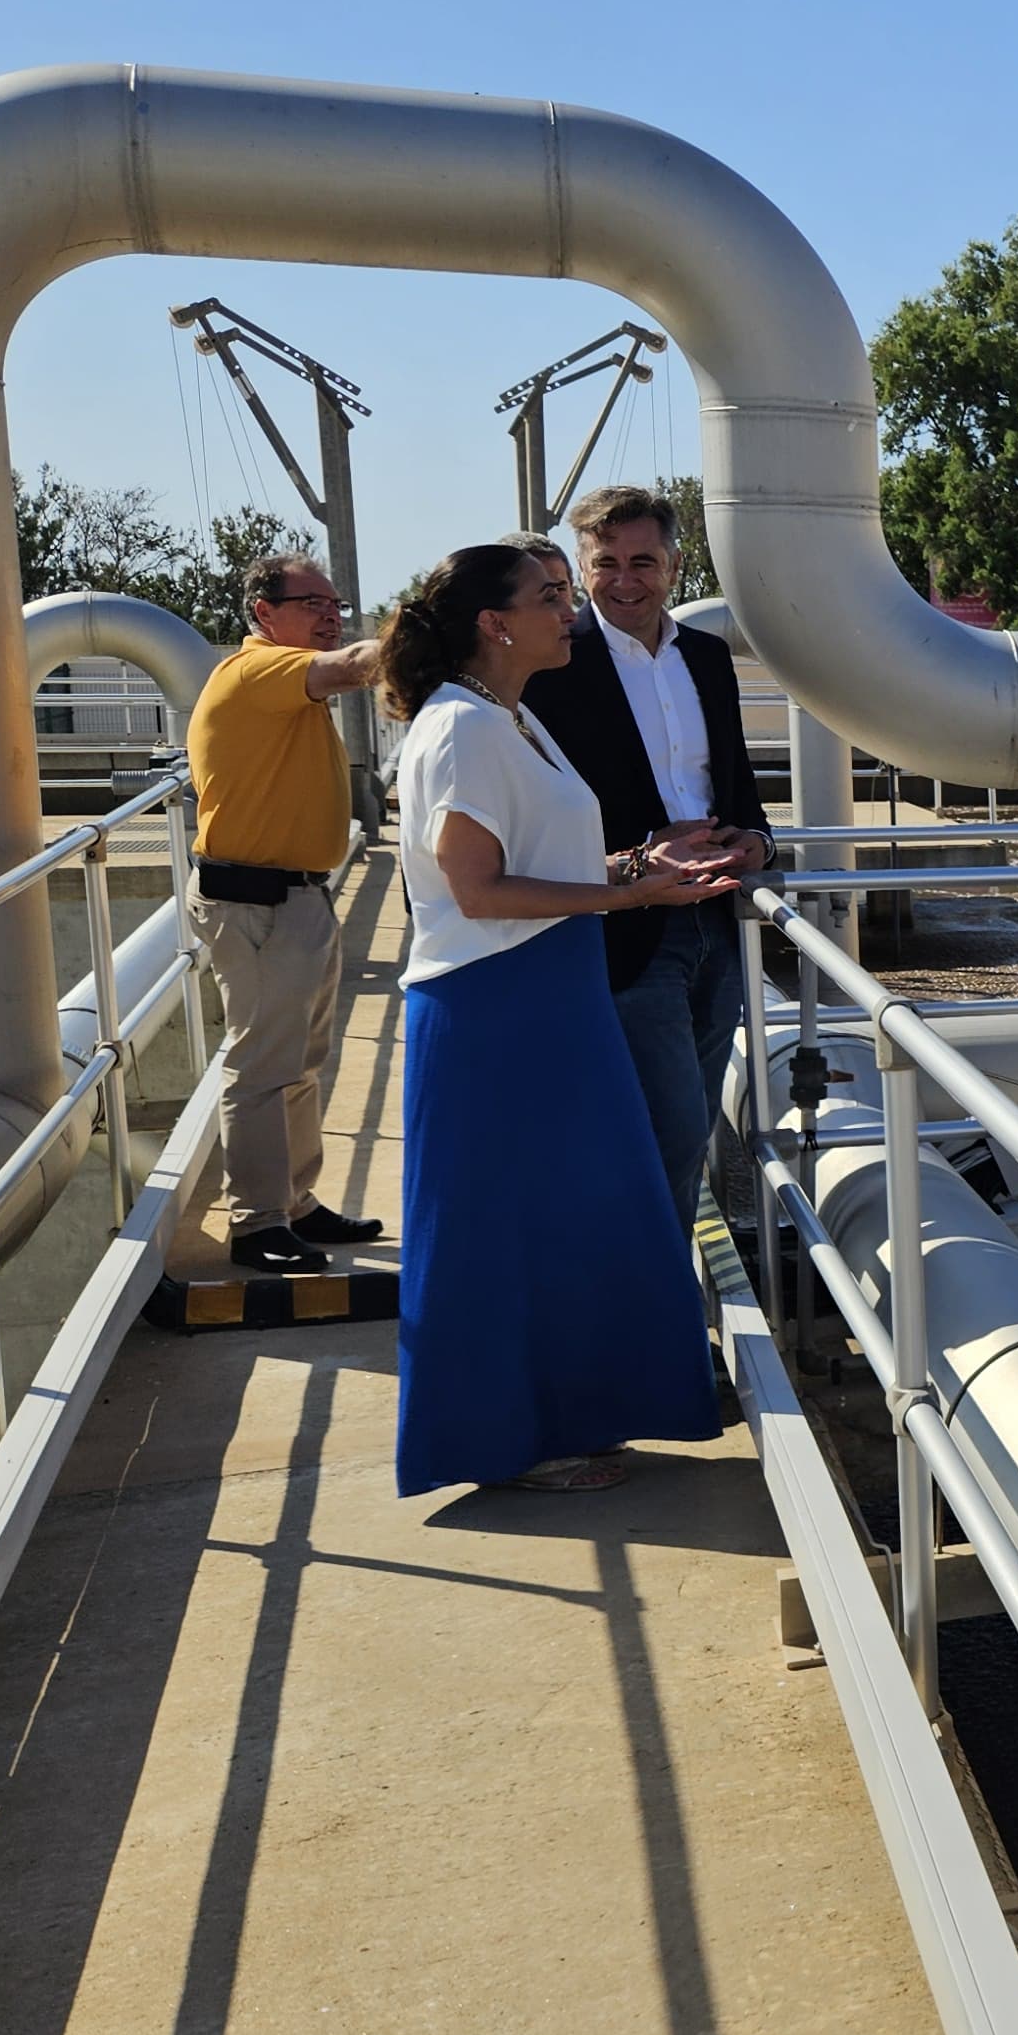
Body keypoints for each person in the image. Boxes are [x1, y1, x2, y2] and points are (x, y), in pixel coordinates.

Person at [381, 543, 737, 1494]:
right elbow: (477, 891)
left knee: (565, 1215)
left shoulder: (512, 717)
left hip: (546, 993)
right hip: (498, 1006)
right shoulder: (463, 727)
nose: (568, 614)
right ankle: (510, 1442)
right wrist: (634, 902)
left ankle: (567, 1421)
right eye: (551, 598)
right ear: (495, 623)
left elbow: (538, 857)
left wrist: (636, 865)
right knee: (506, 1227)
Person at [522, 486, 774, 1227]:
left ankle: (652, 1278)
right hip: (621, 927)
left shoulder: (707, 656)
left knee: (692, 1115)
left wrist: (759, 841)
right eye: (605, 564)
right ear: (580, 566)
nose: (625, 580)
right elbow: (528, 812)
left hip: (717, 922)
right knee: (667, 1128)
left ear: (675, 564)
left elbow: (735, 782)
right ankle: (656, 1300)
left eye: (643, 561)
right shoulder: (552, 665)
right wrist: (630, 862)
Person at [183, 554, 387, 1274]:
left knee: (300, 1061)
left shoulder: (284, 684)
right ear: (264, 613)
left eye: (335, 603)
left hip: (295, 897)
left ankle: (295, 1203)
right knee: (264, 1066)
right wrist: (427, 633)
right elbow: (353, 666)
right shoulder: (258, 670)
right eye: (313, 603)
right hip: (258, 903)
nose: (331, 615)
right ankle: (258, 1221)